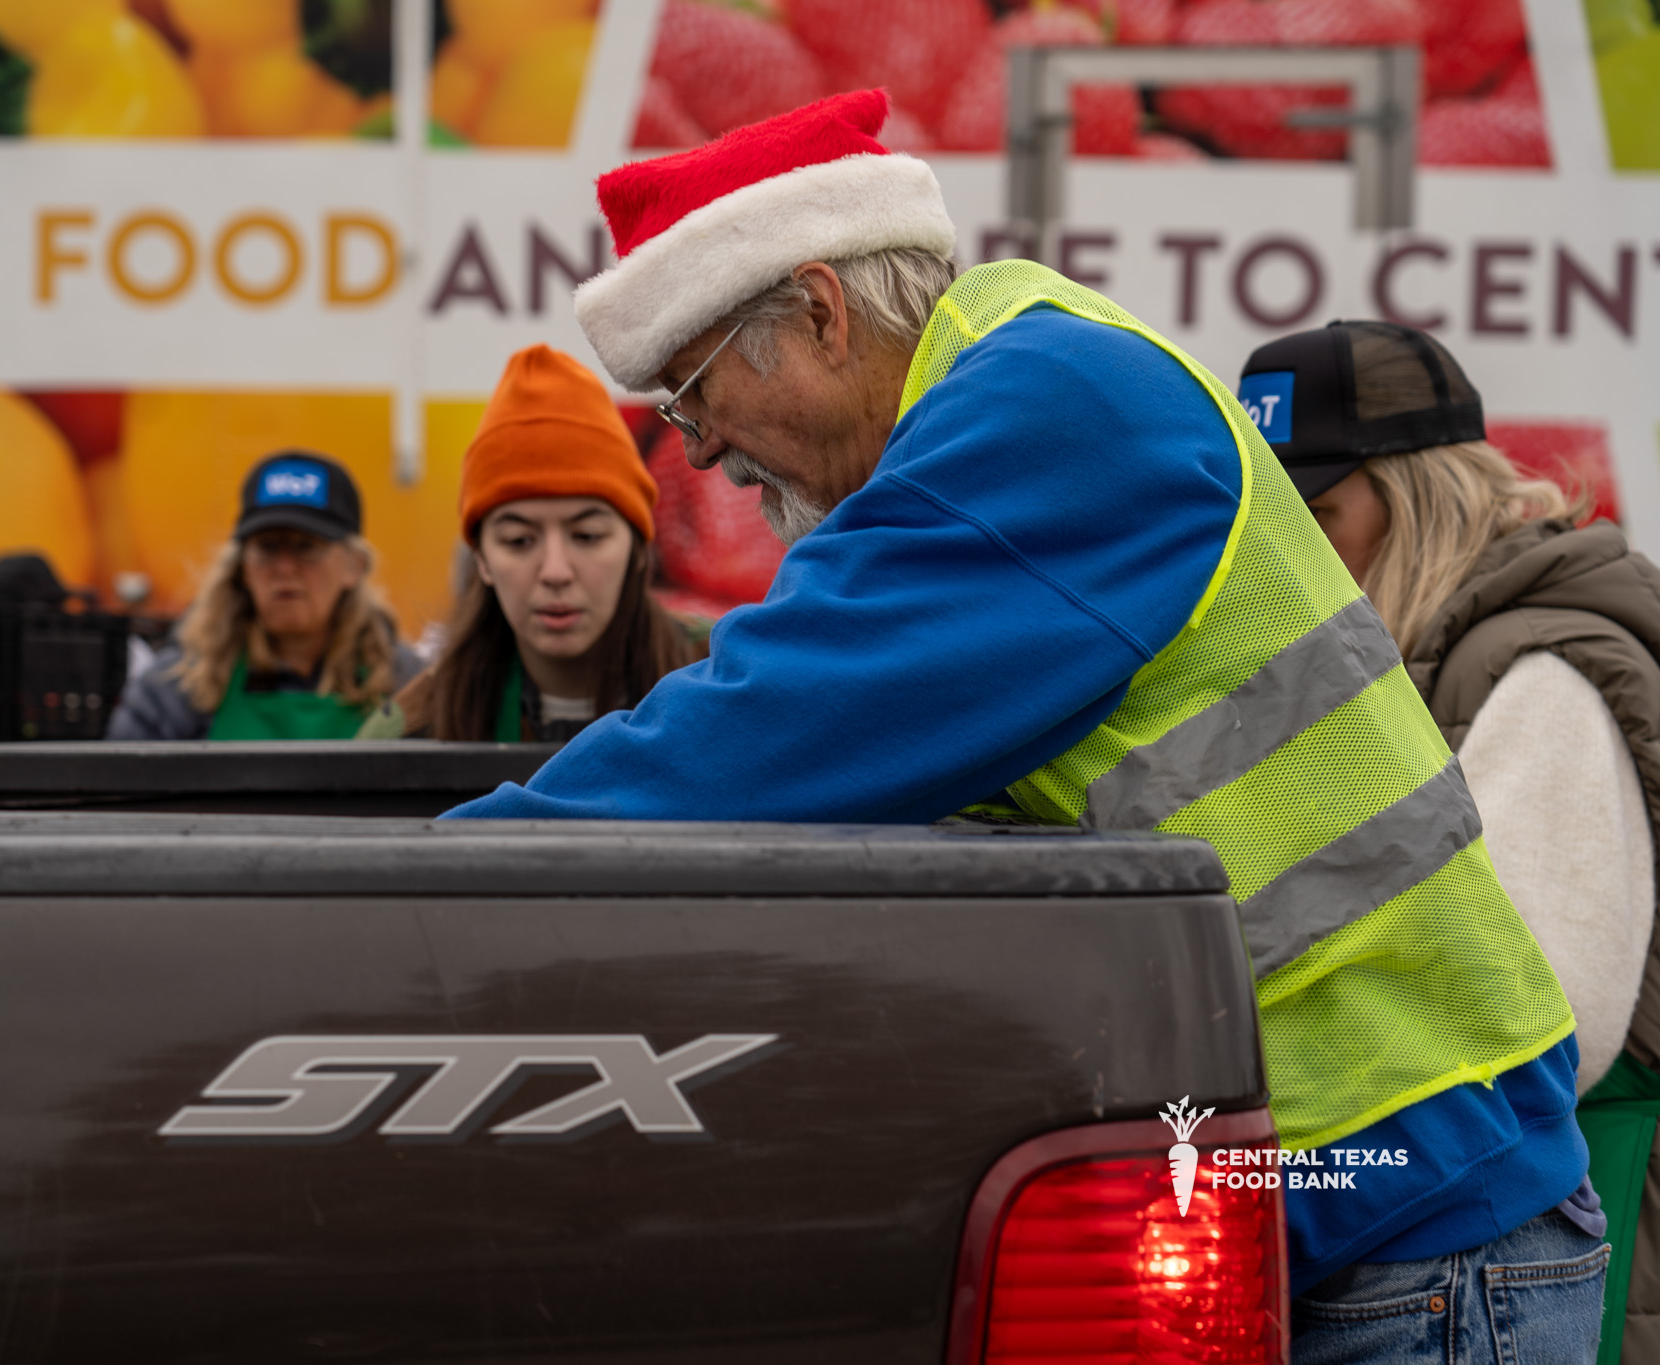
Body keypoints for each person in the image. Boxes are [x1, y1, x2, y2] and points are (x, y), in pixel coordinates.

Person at [443, 89, 1601, 1358]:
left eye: (693, 393)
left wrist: (437, 878)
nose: (701, 453)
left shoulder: (1045, 413)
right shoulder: (1035, 371)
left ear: (820, 311)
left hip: (1402, 1209)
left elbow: (774, 724)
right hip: (1374, 1179)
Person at [1243, 319, 1657, 1358]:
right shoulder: (1412, 665)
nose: (1285, 555)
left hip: (1539, 1237)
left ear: (1419, 497)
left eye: (1316, 514)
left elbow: (1544, 1032)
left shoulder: (1535, 675)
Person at [359, 346, 705, 743]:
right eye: (519, 540)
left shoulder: (729, 681)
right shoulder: (412, 732)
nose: (555, 571)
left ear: (639, 550)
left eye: (587, 536)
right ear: (482, 559)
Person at [105, 451, 419, 740]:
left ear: (354, 566)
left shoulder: (406, 685)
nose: (284, 568)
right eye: (267, 547)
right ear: (242, 567)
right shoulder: (176, 686)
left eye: (306, 547)